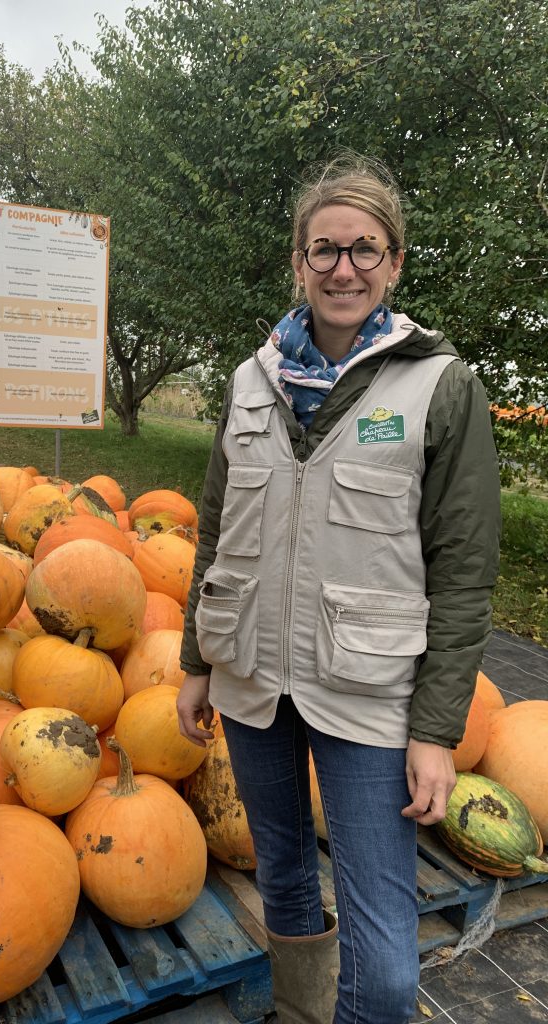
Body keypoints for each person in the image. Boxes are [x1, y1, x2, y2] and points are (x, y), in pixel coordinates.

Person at [176, 155, 501, 1024]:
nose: (343, 268)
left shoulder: (440, 386)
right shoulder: (253, 383)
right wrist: (196, 662)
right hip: (250, 682)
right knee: (280, 874)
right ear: (298, 262)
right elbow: (215, 531)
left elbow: (464, 572)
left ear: (394, 262)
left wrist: (436, 731)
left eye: (365, 249)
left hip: (367, 695)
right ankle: (300, 1009)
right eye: (324, 250)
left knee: (387, 958)